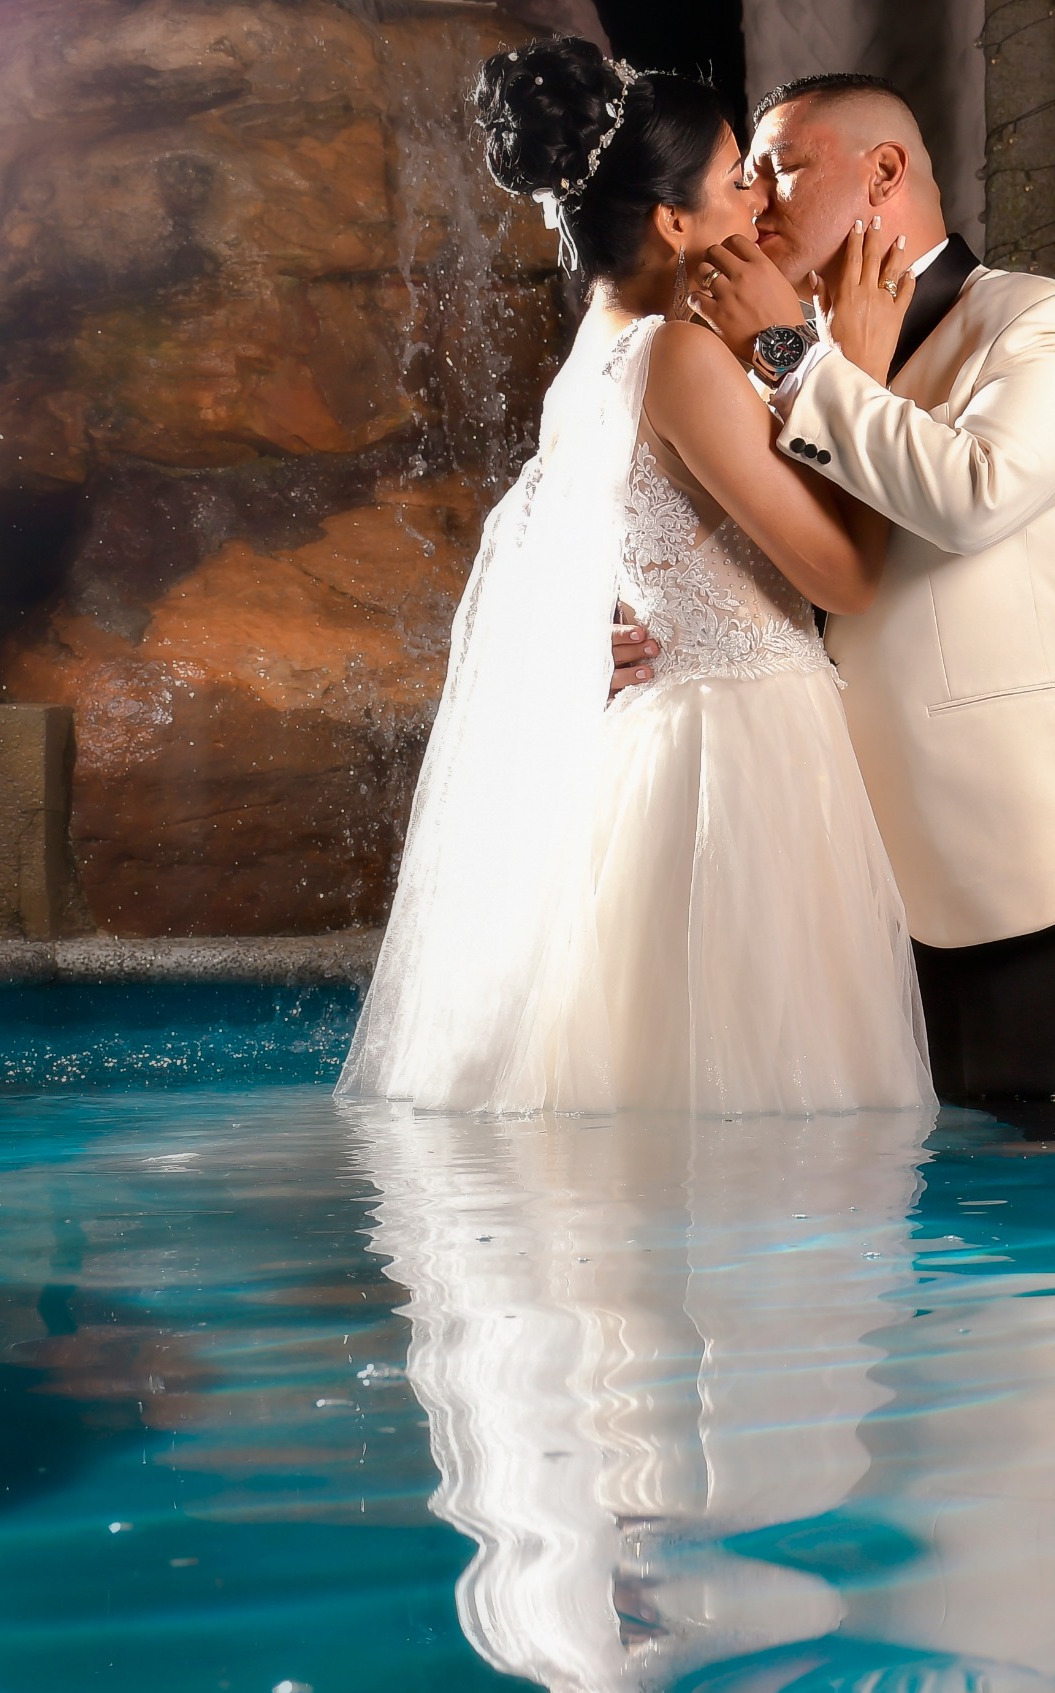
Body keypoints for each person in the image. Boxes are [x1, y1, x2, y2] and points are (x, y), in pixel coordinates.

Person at [340, 40, 933, 1116]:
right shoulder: (679, 356)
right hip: (738, 751)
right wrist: (853, 364)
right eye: (737, 179)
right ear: (673, 221)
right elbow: (846, 576)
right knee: (762, 1100)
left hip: (651, 749)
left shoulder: (590, 356)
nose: (759, 198)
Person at [641, 73, 1055, 1108]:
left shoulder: (1045, 322)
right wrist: (643, 615)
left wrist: (789, 356)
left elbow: (974, 494)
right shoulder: (774, 359)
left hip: (1013, 850)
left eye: (781, 169)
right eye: (745, 178)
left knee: (1036, 1168)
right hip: (834, 860)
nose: (756, 200)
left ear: (883, 172)